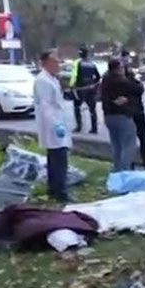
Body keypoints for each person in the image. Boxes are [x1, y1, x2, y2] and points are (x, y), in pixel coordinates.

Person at [33, 49, 72, 202]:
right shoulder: (43, 80)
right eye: (55, 61)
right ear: (46, 63)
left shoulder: (52, 79)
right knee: (59, 159)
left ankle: (54, 189)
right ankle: (60, 192)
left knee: (56, 158)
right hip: (53, 126)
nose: (58, 64)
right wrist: (56, 125)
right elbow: (45, 105)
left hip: (57, 123)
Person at [101, 57, 143, 172]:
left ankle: (117, 169)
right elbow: (139, 89)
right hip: (122, 116)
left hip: (109, 116)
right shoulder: (122, 81)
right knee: (129, 145)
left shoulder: (105, 79)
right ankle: (125, 171)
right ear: (118, 69)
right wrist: (131, 76)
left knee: (116, 145)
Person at [122, 50, 145, 168]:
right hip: (132, 112)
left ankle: (138, 163)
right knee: (134, 139)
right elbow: (139, 89)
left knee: (135, 139)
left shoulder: (126, 80)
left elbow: (140, 89)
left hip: (133, 111)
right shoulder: (126, 81)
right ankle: (140, 163)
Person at [70, 46, 101, 134]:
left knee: (77, 107)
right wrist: (93, 84)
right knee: (92, 108)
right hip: (90, 89)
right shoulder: (92, 64)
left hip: (80, 89)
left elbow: (74, 75)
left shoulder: (77, 63)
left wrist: (71, 85)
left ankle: (79, 127)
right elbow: (98, 77)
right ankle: (94, 128)